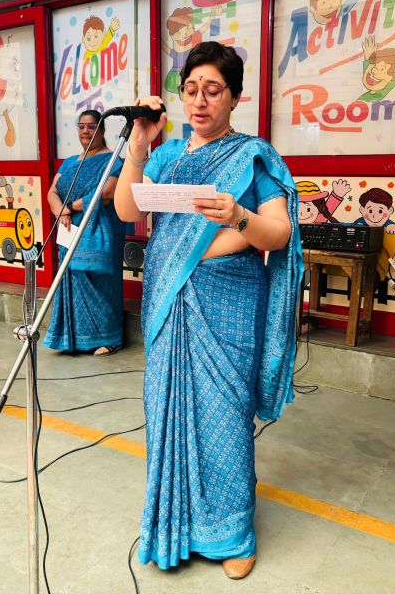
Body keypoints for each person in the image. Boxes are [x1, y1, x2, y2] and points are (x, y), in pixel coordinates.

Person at [114, 41, 303, 580]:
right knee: (168, 410)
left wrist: (240, 215)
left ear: (235, 97)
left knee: (225, 417)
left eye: (213, 90)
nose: (200, 101)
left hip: (230, 303)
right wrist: (138, 146)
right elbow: (127, 209)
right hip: (170, 301)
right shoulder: (169, 156)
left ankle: (232, 533)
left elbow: (279, 231)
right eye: (191, 89)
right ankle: (176, 524)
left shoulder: (252, 156)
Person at [43, 110, 126, 356]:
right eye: (81, 126)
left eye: (92, 126)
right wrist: (60, 210)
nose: (86, 131)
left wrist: (69, 207)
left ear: (102, 130)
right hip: (69, 228)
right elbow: (52, 191)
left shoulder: (113, 160)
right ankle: (74, 339)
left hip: (99, 227)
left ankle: (109, 338)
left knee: (99, 282)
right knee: (72, 280)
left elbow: (106, 194)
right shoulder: (70, 162)